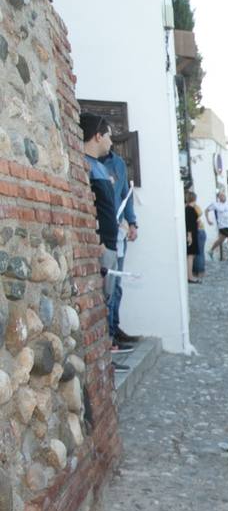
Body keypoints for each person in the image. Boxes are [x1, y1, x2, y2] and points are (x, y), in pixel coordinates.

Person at [81, 114, 124, 366]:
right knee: (100, 303)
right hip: (101, 245)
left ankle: (106, 358)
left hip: (109, 243)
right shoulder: (85, 166)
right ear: (98, 135)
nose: (110, 141)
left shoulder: (99, 166)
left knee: (106, 300)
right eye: (108, 135)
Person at [98, 135, 139, 348]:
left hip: (119, 232)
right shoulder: (92, 165)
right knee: (105, 286)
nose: (109, 140)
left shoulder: (118, 163)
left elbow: (125, 196)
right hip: (101, 232)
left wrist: (132, 222)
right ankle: (108, 337)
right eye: (106, 135)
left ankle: (113, 330)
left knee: (116, 285)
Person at [207, 189, 228, 261]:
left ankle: (210, 251)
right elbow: (207, 210)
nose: (223, 197)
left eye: (224, 195)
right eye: (221, 196)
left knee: (221, 240)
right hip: (222, 226)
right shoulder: (216, 204)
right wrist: (208, 220)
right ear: (218, 197)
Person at [184, 191, 203, 284]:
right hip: (191, 235)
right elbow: (189, 224)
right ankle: (190, 276)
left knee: (191, 255)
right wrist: (189, 236)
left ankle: (190, 275)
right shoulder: (190, 210)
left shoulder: (188, 209)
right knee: (190, 256)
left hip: (193, 234)